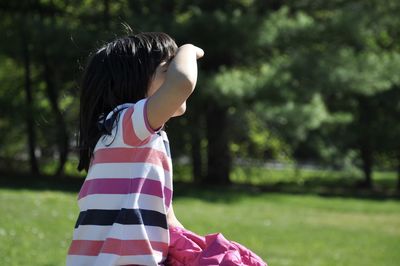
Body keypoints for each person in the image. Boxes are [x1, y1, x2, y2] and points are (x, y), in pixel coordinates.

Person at [67, 31, 266, 266]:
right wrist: (189, 49)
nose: (174, 73)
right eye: (167, 69)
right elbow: (183, 83)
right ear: (134, 82)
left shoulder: (136, 139)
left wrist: (197, 249)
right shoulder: (127, 126)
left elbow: (166, 217)